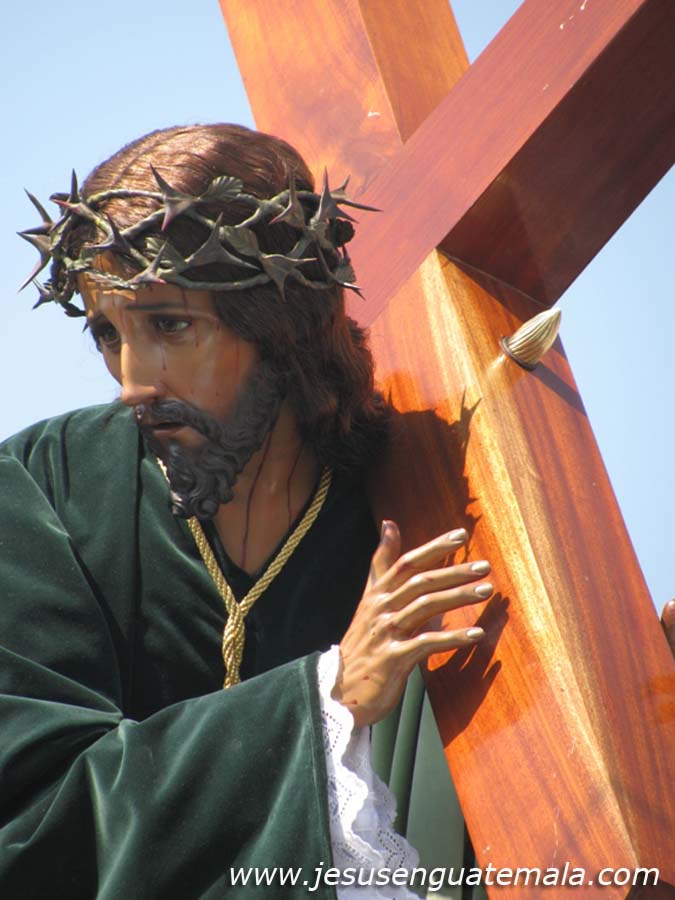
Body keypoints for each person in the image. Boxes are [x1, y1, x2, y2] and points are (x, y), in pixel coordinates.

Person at [1, 123, 494, 899]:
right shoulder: (42, 489)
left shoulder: (415, 504)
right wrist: (328, 699)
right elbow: (30, 823)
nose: (132, 382)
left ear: (281, 325)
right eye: (107, 334)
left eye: (169, 325)